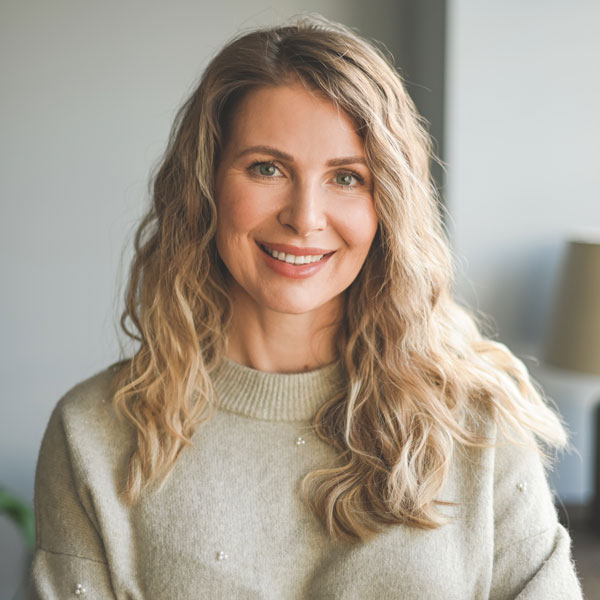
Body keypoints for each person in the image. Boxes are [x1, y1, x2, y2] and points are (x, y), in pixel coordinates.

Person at [29, 15, 583, 599]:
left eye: (347, 177)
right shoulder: (93, 435)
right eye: (267, 168)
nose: (305, 216)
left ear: (386, 205)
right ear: (206, 185)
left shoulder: (479, 419)